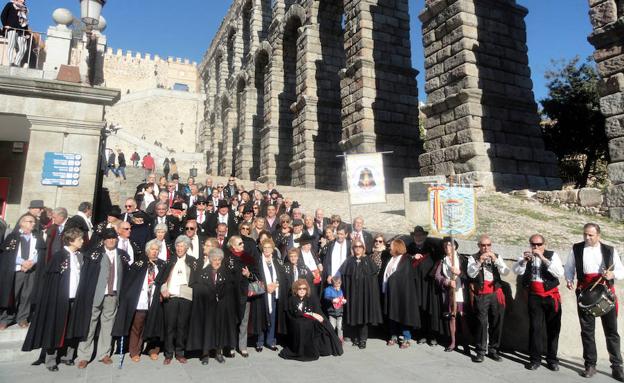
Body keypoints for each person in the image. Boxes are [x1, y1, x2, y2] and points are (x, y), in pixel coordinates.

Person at [564, 223, 624, 380]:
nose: (587, 237)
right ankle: (590, 365)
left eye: (590, 235)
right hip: (585, 293)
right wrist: (569, 279)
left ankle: (617, 366)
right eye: (585, 234)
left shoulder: (609, 250)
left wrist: (612, 274)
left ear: (598, 235)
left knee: (611, 332)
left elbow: (621, 270)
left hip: (605, 293)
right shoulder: (576, 248)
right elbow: (569, 267)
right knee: (587, 331)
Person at [22, 228, 84, 372]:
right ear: (71, 241)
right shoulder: (59, 256)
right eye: (79, 239)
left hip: (75, 297)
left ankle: (68, 356)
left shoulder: (80, 256)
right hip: (59, 298)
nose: (82, 241)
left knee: (71, 328)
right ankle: (51, 358)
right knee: (55, 327)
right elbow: (51, 280)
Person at [73, 228, 130, 369]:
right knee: (90, 325)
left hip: (113, 295)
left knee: (108, 325)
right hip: (95, 295)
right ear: (103, 240)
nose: (111, 240)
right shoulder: (94, 254)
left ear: (116, 239)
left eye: (113, 238)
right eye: (108, 238)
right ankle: (84, 356)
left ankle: (104, 354)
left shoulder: (122, 255)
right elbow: (86, 276)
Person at [512, 234, 564, 371]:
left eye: (539, 244)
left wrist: (542, 258)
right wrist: (524, 261)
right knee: (535, 329)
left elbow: (559, 272)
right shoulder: (526, 256)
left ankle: (552, 359)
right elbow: (516, 270)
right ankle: (535, 359)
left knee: (553, 329)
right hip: (534, 297)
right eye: (533, 244)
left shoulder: (552, 255)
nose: (536, 247)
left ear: (544, 244)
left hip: (551, 296)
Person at [112, 239, 167, 362]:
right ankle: (135, 351)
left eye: (157, 249)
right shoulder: (139, 264)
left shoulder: (163, 265)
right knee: (137, 326)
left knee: (155, 326)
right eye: (152, 249)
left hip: (155, 301)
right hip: (141, 301)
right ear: (147, 251)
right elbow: (130, 283)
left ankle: (153, 349)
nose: (154, 252)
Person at [187, 247, 238, 365]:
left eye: (219, 259)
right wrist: (208, 292)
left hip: (221, 306)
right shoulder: (203, 272)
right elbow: (196, 287)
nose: (217, 262)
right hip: (207, 306)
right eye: (214, 259)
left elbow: (230, 288)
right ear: (210, 260)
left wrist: (221, 292)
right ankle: (205, 353)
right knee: (207, 328)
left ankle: (218, 352)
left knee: (220, 329)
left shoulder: (226, 273)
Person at [467, 234, 510, 363]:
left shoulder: (497, 256)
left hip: (496, 293)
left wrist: (496, 260)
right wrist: (479, 261)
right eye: (483, 245)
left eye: (488, 245)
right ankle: (480, 351)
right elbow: (471, 273)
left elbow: (506, 272)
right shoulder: (473, 258)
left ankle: (493, 350)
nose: (486, 248)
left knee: (497, 321)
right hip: (482, 294)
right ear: (479, 246)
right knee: (482, 322)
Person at [278, 279, 343, 361]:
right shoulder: (292, 299)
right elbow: (295, 313)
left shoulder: (310, 299)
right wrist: (311, 314)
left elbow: (316, 312)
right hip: (296, 322)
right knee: (302, 325)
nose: (302, 291)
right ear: (296, 289)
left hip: (309, 321)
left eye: (304, 289)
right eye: (299, 289)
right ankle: (301, 350)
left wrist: (314, 315)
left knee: (322, 325)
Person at [0, 213, 44, 329]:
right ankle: (6, 318)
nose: (33, 224)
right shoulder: (13, 236)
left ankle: (22, 318)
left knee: (27, 294)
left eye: (34, 222)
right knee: (12, 294)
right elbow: (8, 253)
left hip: (31, 270)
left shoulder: (37, 236)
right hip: (17, 270)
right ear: (22, 223)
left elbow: (41, 252)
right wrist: (22, 262)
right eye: (30, 221)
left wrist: (31, 263)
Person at [338, 238, 382, 349]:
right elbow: (345, 278)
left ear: (363, 249)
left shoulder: (368, 260)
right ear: (353, 249)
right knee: (354, 314)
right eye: (355, 247)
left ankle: (363, 339)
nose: (358, 248)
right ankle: (355, 337)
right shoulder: (349, 261)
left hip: (365, 294)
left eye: (360, 247)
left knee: (363, 315)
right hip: (352, 294)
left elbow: (372, 280)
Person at [159, 235, 197, 365]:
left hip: (186, 297)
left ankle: (180, 352)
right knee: (170, 326)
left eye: (182, 246)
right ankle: (168, 353)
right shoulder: (169, 261)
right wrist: (163, 288)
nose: (180, 248)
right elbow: (161, 279)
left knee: (182, 326)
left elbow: (196, 280)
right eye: (178, 246)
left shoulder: (193, 261)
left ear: (186, 247)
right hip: (171, 296)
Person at [407, 225, 443, 346]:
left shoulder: (431, 247)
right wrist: (412, 257)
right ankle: (421, 334)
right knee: (419, 309)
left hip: (429, 284)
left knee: (430, 309)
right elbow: (404, 259)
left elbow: (439, 260)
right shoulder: (410, 248)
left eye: (420, 235)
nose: (418, 237)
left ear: (424, 235)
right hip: (416, 283)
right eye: (416, 235)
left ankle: (432, 335)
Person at [435, 237, 471, 355]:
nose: (447, 248)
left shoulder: (462, 259)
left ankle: (466, 342)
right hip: (450, 292)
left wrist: (459, 272)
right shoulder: (442, 260)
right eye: (445, 246)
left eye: (449, 245)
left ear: (454, 246)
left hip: (461, 292)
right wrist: (447, 282)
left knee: (463, 316)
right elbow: (437, 276)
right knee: (452, 316)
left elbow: (470, 276)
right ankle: (453, 342)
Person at [250, 239, 284, 352]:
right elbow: (255, 276)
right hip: (262, 294)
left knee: (273, 317)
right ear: (262, 249)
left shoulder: (277, 261)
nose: (267, 250)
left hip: (274, 292)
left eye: (269, 247)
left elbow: (281, 275)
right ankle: (259, 342)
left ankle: (270, 341)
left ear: (273, 249)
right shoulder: (258, 261)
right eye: (265, 248)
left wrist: (275, 285)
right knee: (262, 317)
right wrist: (265, 286)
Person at [1, 0, 29, 67]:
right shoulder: (10, 4)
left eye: (24, 0)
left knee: (23, 48)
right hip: (11, 28)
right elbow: (3, 15)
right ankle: (11, 62)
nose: (23, 0)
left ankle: (16, 63)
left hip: (21, 30)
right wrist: (5, 25)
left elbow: (25, 22)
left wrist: (27, 32)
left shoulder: (24, 8)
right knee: (11, 45)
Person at [324, 277, 346, 342]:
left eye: (339, 284)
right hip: (332, 312)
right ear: (333, 283)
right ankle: (331, 340)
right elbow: (326, 296)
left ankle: (340, 340)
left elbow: (341, 297)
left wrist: (343, 300)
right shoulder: (329, 289)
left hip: (339, 311)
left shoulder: (340, 290)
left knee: (340, 327)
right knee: (332, 327)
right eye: (336, 284)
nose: (338, 286)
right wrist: (332, 299)